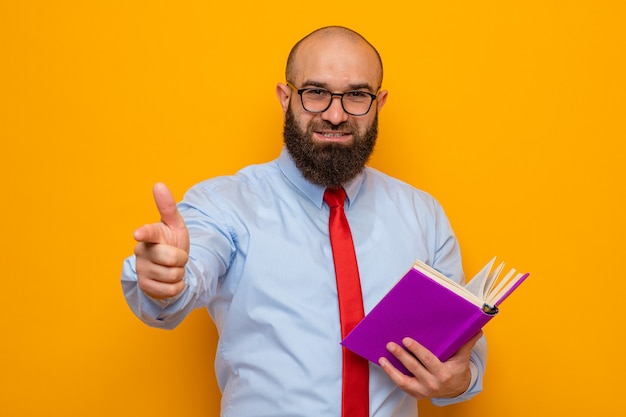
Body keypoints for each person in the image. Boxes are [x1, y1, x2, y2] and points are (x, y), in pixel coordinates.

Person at [121, 26, 487, 417]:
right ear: (285, 98)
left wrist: (457, 381)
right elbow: (186, 277)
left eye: (357, 96)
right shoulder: (225, 205)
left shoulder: (423, 214)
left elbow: (465, 359)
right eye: (315, 93)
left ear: (378, 102)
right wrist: (165, 279)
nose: (334, 115)